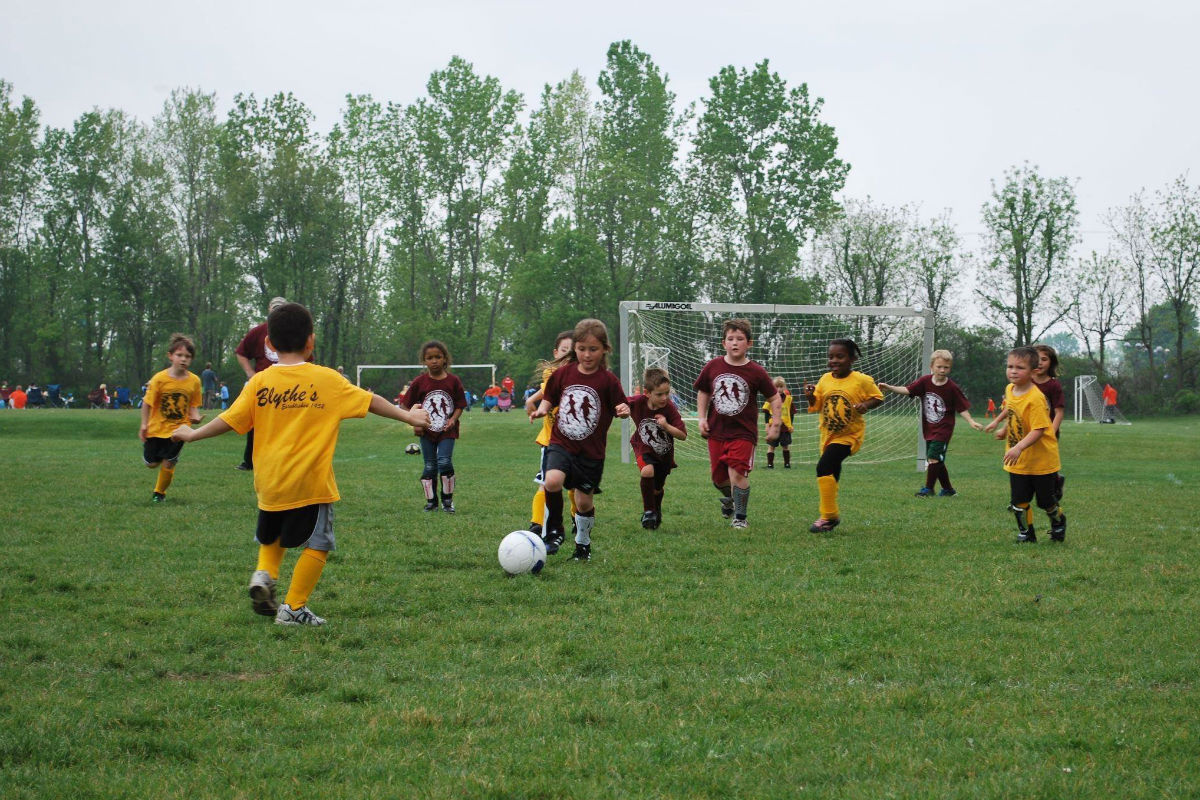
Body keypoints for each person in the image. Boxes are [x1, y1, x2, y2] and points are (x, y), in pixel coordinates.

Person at [172, 302, 430, 626]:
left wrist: (192, 434)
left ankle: (264, 575)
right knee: (319, 543)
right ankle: (293, 608)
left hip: (269, 482)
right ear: (311, 341)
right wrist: (409, 416)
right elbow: (371, 401)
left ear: (269, 344)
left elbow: (229, 419)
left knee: (272, 537)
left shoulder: (259, 382)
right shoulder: (326, 379)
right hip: (310, 483)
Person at [530, 318, 630, 560]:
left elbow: (622, 405)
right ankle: (554, 531)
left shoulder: (608, 381)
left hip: (590, 453)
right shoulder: (563, 374)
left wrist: (624, 410)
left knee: (584, 503)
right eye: (582, 348)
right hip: (561, 443)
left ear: (604, 349)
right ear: (575, 348)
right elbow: (549, 397)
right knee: (551, 481)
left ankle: (582, 544)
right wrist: (542, 409)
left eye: (593, 349)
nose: (586, 354)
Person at [694, 318, 780, 529]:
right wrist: (702, 418)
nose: (735, 343)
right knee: (719, 479)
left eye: (740, 339)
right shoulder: (713, 366)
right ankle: (731, 500)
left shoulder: (756, 371)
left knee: (737, 472)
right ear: (724, 343)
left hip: (743, 433)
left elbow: (774, 397)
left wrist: (776, 424)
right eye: (730, 339)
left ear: (749, 343)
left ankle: (740, 518)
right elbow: (704, 391)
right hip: (716, 431)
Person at [982, 346, 1066, 543]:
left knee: (1046, 502)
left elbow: (1039, 429)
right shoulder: (1010, 389)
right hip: (1018, 460)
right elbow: (1011, 410)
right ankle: (1027, 534)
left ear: (1033, 371)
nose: (1013, 371)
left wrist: (1019, 447)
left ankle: (1058, 522)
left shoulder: (1036, 398)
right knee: (1018, 500)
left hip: (1041, 460)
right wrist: (1001, 426)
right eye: (1010, 366)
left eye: (1019, 368)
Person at [804, 338, 884, 532]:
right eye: (831, 357)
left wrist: (865, 405)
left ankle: (829, 516)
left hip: (850, 436)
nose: (834, 361)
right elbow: (817, 405)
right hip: (828, 435)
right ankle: (828, 518)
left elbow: (878, 397)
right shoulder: (825, 379)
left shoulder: (862, 380)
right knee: (831, 472)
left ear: (852, 359)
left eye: (840, 356)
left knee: (823, 467)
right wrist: (810, 396)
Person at [879, 349, 983, 497]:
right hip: (929, 428)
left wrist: (971, 421)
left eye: (946, 367)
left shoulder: (952, 388)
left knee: (933, 457)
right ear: (932, 367)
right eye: (939, 367)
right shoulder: (925, 382)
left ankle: (928, 489)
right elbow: (908, 390)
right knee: (936, 460)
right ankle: (948, 490)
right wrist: (889, 388)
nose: (942, 370)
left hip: (944, 429)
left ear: (950, 368)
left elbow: (962, 408)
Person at [397, 340, 467, 513]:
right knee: (430, 466)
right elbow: (404, 406)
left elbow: (460, 404)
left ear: (445, 359)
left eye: (438, 357)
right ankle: (431, 502)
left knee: (444, 462)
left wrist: (453, 419)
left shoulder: (453, 381)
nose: (434, 361)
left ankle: (447, 502)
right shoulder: (420, 382)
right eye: (429, 358)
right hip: (427, 431)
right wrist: (413, 422)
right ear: (424, 361)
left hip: (447, 431)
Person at [139, 333, 204, 503]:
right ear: (170, 356)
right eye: (179, 355)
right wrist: (144, 425)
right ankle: (160, 458)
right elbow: (146, 403)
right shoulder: (159, 379)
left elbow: (193, 405)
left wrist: (196, 417)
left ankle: (159, 493)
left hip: (179, 429)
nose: (183, 359)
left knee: (169, 463)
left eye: (187, 356)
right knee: (151, 464)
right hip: (157, 428)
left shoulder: (195, 381)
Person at [524, 331, 576, 537]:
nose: (567, 356)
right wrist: (531, 400)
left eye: (572, 352)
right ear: (556, 353)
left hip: (577, 444)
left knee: (575, 489)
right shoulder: (550, 374)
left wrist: (532, 399)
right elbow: (548, 389)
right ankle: (537, 524)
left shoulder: (583, 379)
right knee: (545, 484)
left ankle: (577, 516)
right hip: (551, 442)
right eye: (564, 351)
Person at [233, 296, 290, 471]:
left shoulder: (293, 332)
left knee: (285, 425)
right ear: (269, 310)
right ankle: (249, 461)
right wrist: (250, 373)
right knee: (255, 423)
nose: (277, 312)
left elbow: (306, 358)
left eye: (281, 309)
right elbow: (241, 352)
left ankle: (283, 460)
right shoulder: (259, 332)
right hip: (263, 387)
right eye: (274, 308)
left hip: (287, 387)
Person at [627, 367, 686, 530]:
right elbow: (619, 403)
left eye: (667, 393)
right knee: (647, 471)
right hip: (642, 447)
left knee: (657, 488)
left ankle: (656, 510)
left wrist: (666, 425)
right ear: (647, 393)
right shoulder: (637, 402)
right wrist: (622, 409)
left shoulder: (670, 408)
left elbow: (682, 435)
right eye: (659, 394)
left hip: (664, 455)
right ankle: (649, 512)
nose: (664, 397)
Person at [762, 376, 795, 469]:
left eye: (781, 387)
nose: (779, 389)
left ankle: (787, 464)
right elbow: (766, 413)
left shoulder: (789, 399)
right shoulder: (770, 399)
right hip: (773, 427)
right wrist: (767, 426)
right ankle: (770, 464)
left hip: (785, 427)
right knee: (771, 446)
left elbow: (791, 413)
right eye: (776, 387)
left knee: (785, 446)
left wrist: (791, 425)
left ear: (784, 387)